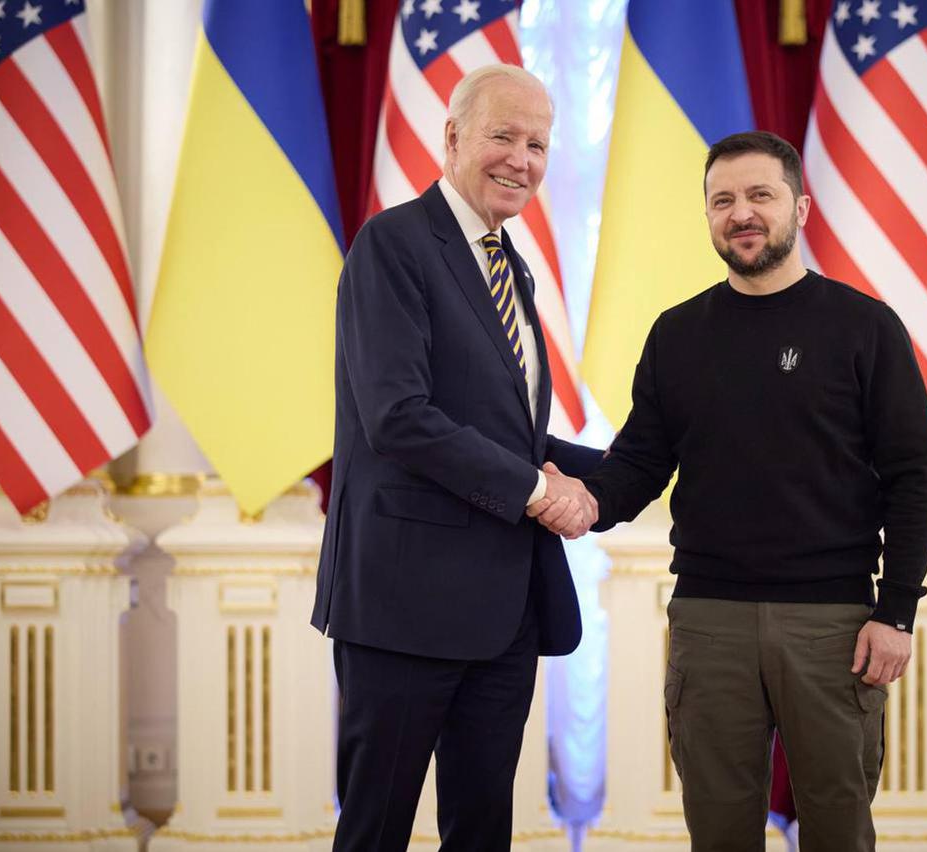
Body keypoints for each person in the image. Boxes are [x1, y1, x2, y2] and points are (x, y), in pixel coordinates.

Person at [542, 131, 927, 850]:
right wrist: (584, 499)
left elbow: (914, 480)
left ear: (800, 208)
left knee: (839, 831)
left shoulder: (866, 328)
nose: (741, 213)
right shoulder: (677, 335)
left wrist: (897, 613)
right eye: (722, 200)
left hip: (835, 626)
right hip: (708, 621)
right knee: (719, 832)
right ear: (707, 216)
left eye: (760, 195)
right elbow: (639, 464)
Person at [310, 64, 601, 851]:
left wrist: (630, 469)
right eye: (503, 136)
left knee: (481, 832)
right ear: (452, 137)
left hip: (503, 614)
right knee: (375, 831)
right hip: (403, 607)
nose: (522, 160)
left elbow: (510, 436)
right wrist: (539, 493)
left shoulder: (511, 265)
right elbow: (398, 418)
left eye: (538, 144)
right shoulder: (393, 245)